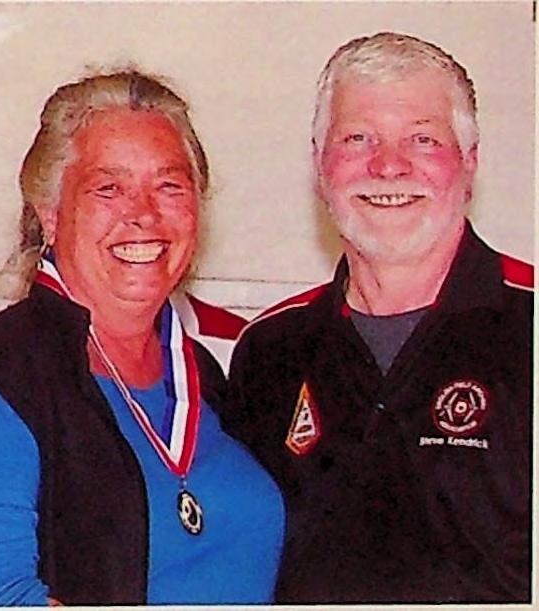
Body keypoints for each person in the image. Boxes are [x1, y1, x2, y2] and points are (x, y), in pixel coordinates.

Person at [226, 32, 532, 604]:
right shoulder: (268, 351)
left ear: (469, 164)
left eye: (422, 138)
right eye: (357, 138)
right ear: (320, 166)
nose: (388, 166)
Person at [0, 70, 285, 606]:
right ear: (50, 213)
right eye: (109, 188)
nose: (143, 214)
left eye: (169, 186)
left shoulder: (206, 376)